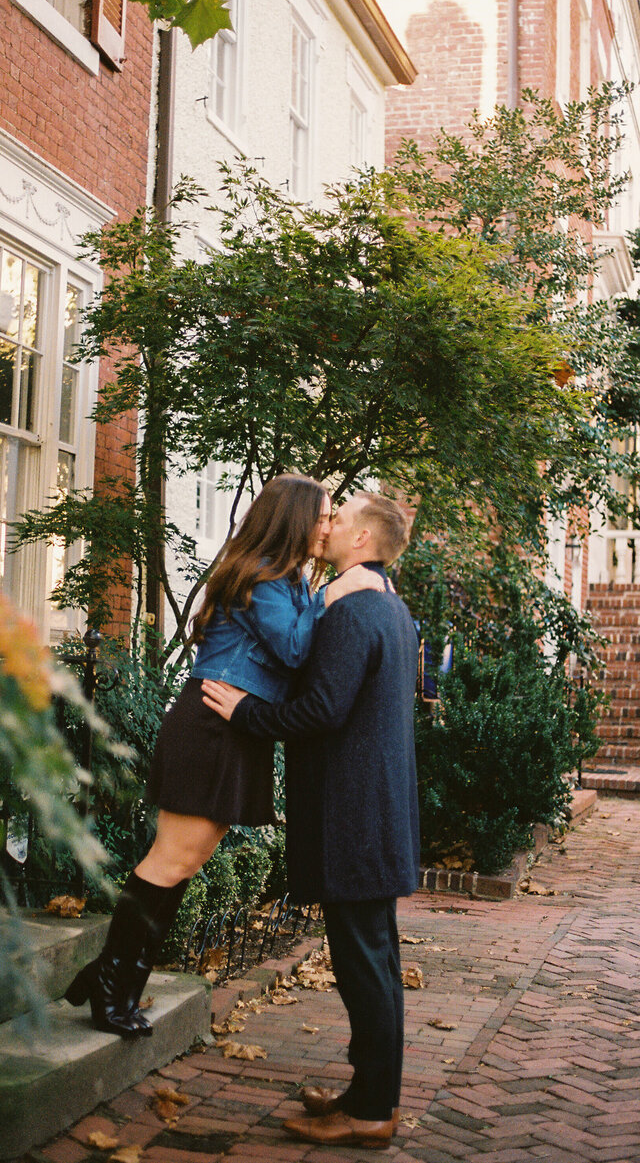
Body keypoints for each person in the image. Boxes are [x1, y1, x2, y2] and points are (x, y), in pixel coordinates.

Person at [64, 473, 385, 1038]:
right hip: (212, 726)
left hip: (234, 729)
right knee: (170, 861)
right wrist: (337, 593)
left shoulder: (285, 582)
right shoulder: (262, 577)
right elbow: (294, 650)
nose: (330, 526)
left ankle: (109, 975)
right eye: (323, 516)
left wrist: (324, 594)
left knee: (182, 863)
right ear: (294, 520)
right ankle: (114, 984)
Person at [202, 492, 419, 1151]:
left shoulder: (355, 610)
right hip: (377, 814)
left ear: (361, 541)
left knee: (364, 964)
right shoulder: (389, 604)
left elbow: (320, 710)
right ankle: (367, 1093)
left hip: (354, 817)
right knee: (374, 959)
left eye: (339, 519)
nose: (327, 526)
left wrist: (243, 712)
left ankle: (371, 1111)